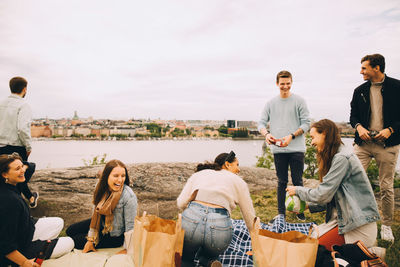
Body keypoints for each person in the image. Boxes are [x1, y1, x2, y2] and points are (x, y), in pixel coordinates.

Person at [287, 119, 380, 251]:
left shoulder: (342, 158)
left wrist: (297, 190)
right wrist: (305, 206)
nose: (312, 142)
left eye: (313, 137)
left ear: (324, 133)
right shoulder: (337, 156)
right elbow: (331, 198)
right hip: (346, 223)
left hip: (358, 228)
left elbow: (323, 195)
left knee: (311, 251)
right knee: (308, 244)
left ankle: (368, 252)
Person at [350, 53, 400, 242]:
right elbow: (353, 115)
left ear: (376, 68)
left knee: (386, 187)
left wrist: (391, 130)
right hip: (363, 144)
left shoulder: (397, 87)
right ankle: (356, 219)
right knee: (352, 180)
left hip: (387, 145)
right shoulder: (359, 90)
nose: (361, 71)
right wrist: (359, 127)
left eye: (364, 68)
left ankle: (386, 226)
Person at [177, 151, 256, 267]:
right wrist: (257, 244)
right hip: (219, 226)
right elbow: (250, 218)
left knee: (186, 257)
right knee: (211, 252)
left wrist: (191, 201)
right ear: (227, 164)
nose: (239, 169)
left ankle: (192, 260)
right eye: (237, 165)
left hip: (192, 219)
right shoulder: (239, 182)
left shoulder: (200, 174)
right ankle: (209, 260)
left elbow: (180, 203)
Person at [0, 153, 74, 267]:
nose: (22, 171)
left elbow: (30, 165)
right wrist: (24, 262)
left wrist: (21, 167)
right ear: (5, 174)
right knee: (69, 242)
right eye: (17, 169)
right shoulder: (8, 200)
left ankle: (43, 244)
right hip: (19, 248)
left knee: (59, 222)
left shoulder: (12, 184)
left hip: (26, 229)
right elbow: (5, 242)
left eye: (21, 167)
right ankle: (32, 250)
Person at [258, 70, 310, 221]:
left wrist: (292, 136)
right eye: (282, 84)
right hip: (278, 149)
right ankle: (281, 213)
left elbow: (306, 123)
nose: (285, 87)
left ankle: (299, 211)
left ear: (291, 83)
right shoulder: (270, 103)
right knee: (281, 182)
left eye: (288, 84)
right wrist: (266, 134)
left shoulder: (299, 101)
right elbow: (260, 123)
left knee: (298, 181)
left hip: (297, 148)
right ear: (277, 84)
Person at [66, 159, 138, 254]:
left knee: (73, 241)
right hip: (100, 225)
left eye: (123, 176)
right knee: (70, 230)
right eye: (116, 176)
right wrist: (91, 239)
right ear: (107, 176)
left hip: (114, 236)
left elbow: (130, 227)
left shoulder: (128, 196)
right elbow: (95, 215)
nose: (120, 180)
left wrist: (127, 249)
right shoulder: (99, 187)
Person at [0, 77, 39, 208]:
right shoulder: (23, 105)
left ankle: (29, 197)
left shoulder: (1, 103)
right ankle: (23, 200)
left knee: (7, 175)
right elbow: (23, 128)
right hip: (16, 146)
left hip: (1, 146)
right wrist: (28, 146)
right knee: (22, 170)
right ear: (24, 89)